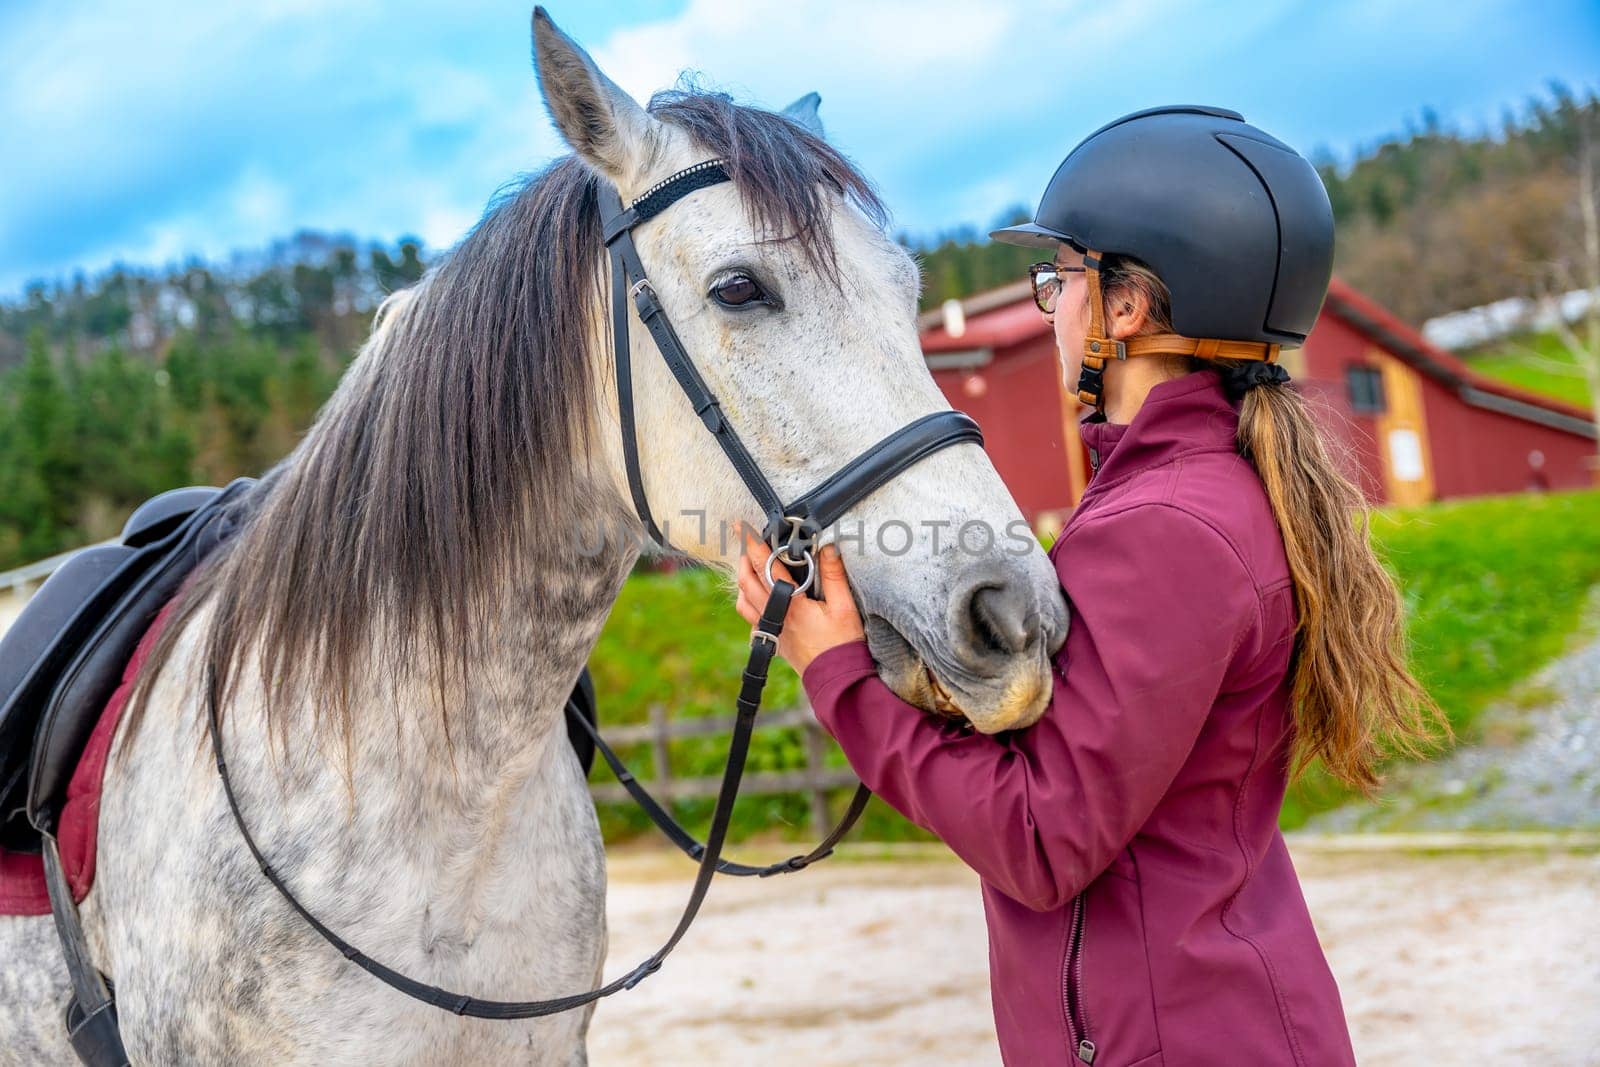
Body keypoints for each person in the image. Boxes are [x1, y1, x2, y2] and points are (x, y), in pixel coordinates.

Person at [735, 106, 1445, 1067]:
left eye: (1061, 278)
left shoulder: (1164, 528)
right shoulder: (1195, 492)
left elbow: (1040, 838)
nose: (1052, 304)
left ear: (1126, 308)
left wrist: (839, 674)